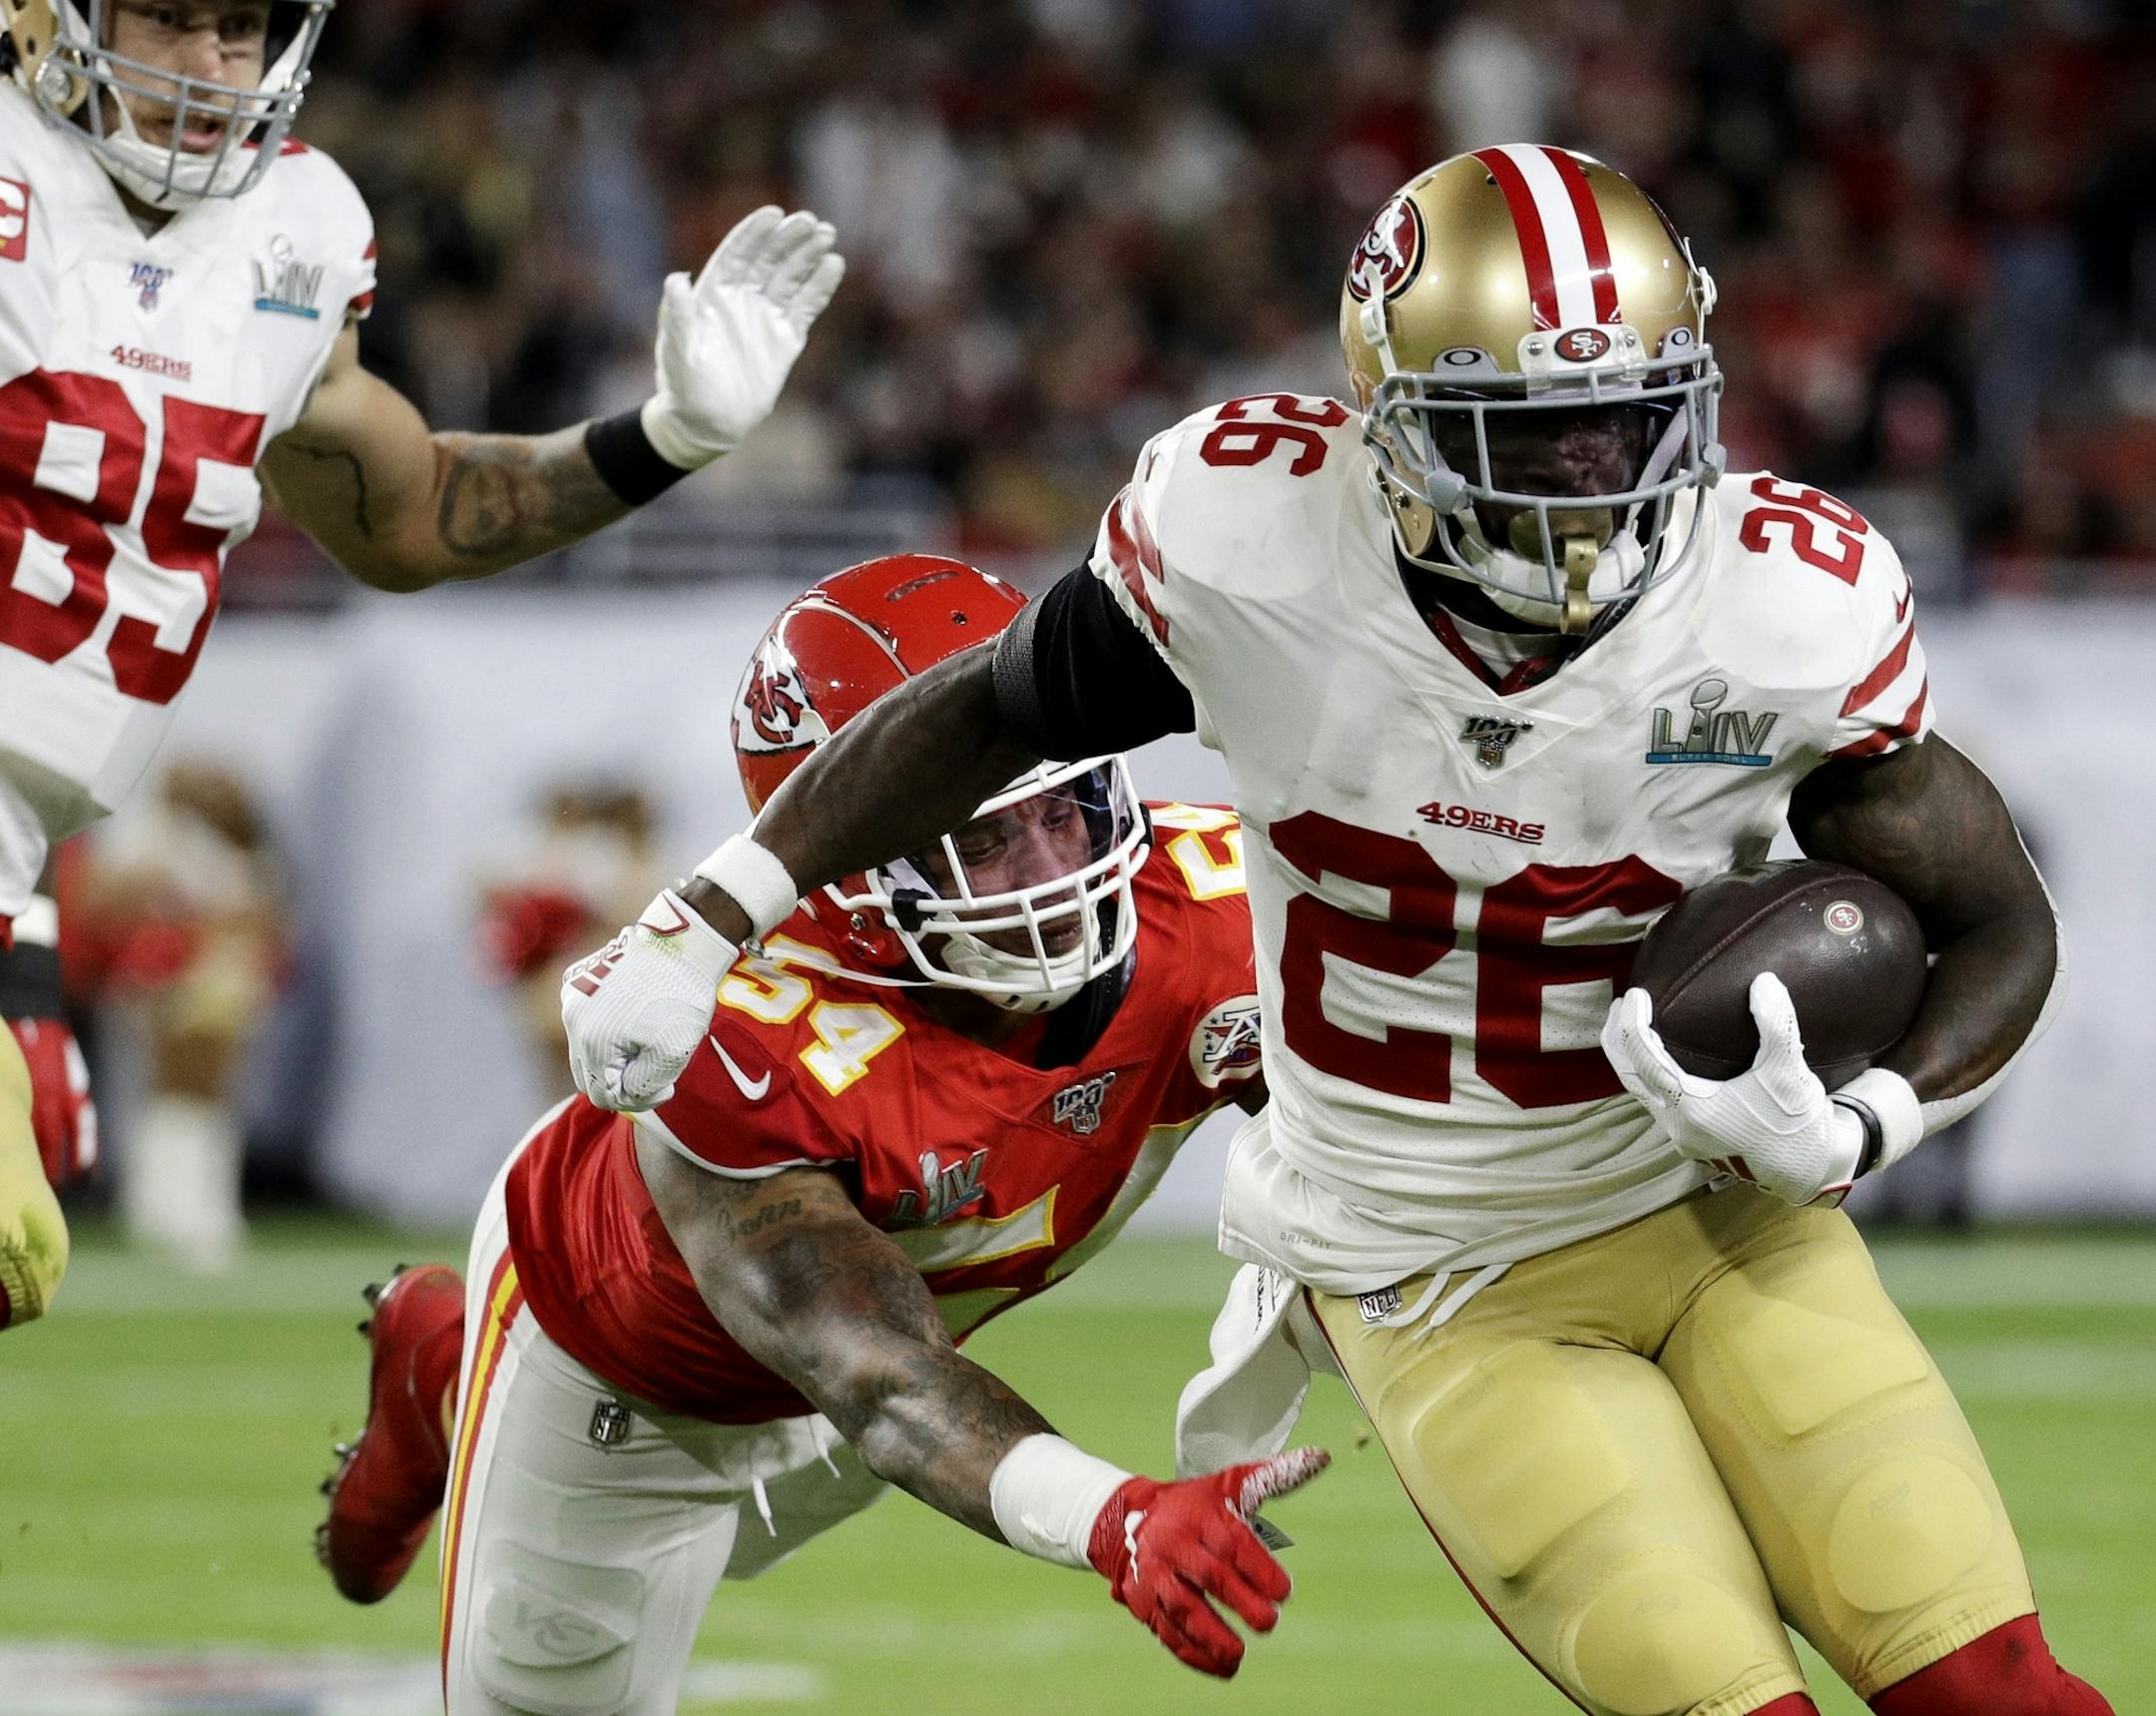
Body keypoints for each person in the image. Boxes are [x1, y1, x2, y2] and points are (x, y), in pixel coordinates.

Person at [560, 149, 2111, 1715]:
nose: (1594, 481)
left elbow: (1996, 919)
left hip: (1719, 1214)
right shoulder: (1254, 541)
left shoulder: (1784, 602)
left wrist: (1858, 1118)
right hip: (1434, 1269)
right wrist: (712, 916)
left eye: (1629, 419)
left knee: (2001, 1691)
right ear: (1397, 425)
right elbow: (982, 711)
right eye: (1533, 436)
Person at [319, 557, 1324, 1713]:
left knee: (737, 1541)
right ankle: (458, 1386)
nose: (1055, 874)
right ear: (850, 855)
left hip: (896, 1349)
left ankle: (444, 1390)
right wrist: (1116, 1517)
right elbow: (880, 1381)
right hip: (626, 1359)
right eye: (985, 845)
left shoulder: (1212, 904)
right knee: (563, 1673)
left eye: (1066, 809)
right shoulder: (753, 1033)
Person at [0, 0, 844, 1328]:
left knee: (16, 1235)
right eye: (170, 21)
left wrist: (665, 436)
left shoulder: (294, 233)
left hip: (23, 833)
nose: (216, 67)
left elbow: (409, 513)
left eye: (238, 27)